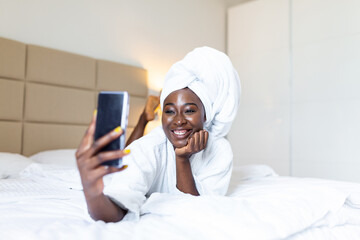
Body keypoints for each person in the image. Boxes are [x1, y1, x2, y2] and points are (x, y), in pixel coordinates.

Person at [75, 47, 241, 223]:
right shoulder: (150, 148)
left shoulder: (220, 149)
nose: (178, 120)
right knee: (126, 153)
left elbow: (198, 209)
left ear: (206, 115)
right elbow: (115, 212)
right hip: (128, 164)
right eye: (169, 111)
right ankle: (144, 119)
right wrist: (91, 190)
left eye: (189, 110)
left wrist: (182, 159)